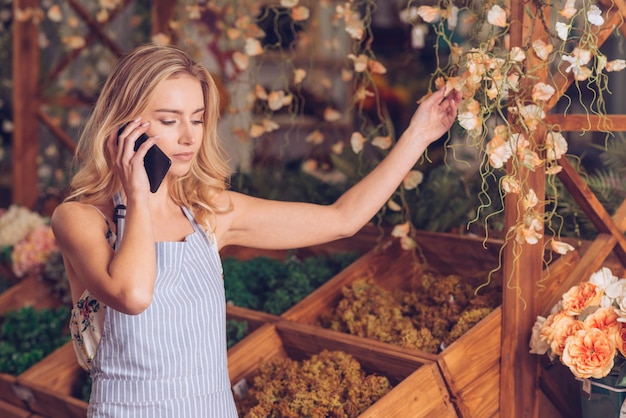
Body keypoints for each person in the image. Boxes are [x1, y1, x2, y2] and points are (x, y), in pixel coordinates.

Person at [51, 43, 461, 417]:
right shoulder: (82, 219)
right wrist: (139, 195)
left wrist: (419, 135)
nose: (189, 136)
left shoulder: (208, 211)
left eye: (197, 118)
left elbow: (342, 219)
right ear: (125, 126)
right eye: (169, 120)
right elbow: (133, 295)